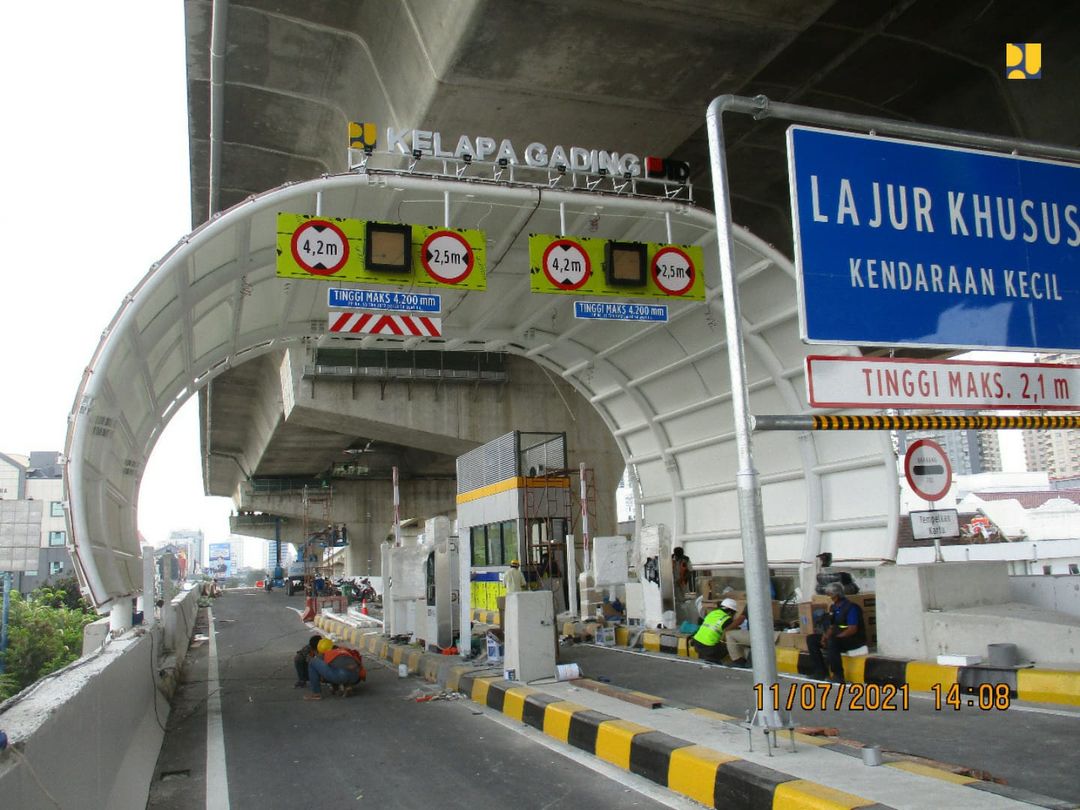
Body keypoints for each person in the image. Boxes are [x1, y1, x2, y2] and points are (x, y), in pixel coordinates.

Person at [806, 582, 865, 683]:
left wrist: (835, 637)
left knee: (832, 642)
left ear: (836, 595)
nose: (828, 597)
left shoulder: (851, 608)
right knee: (811, 639)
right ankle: (820, 671)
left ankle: (838, 675)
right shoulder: (833, 608)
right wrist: (825, 636)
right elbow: (832, 626)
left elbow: (852, 629)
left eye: (830, 595)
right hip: (837, 637)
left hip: (853, 639)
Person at [691, 597, 738, 663]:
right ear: (731, 612)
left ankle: (708, 661)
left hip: (697, 641)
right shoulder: (727, 619)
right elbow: (732, 632)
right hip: (709, 646)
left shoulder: (713, 613)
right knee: (730, 645)